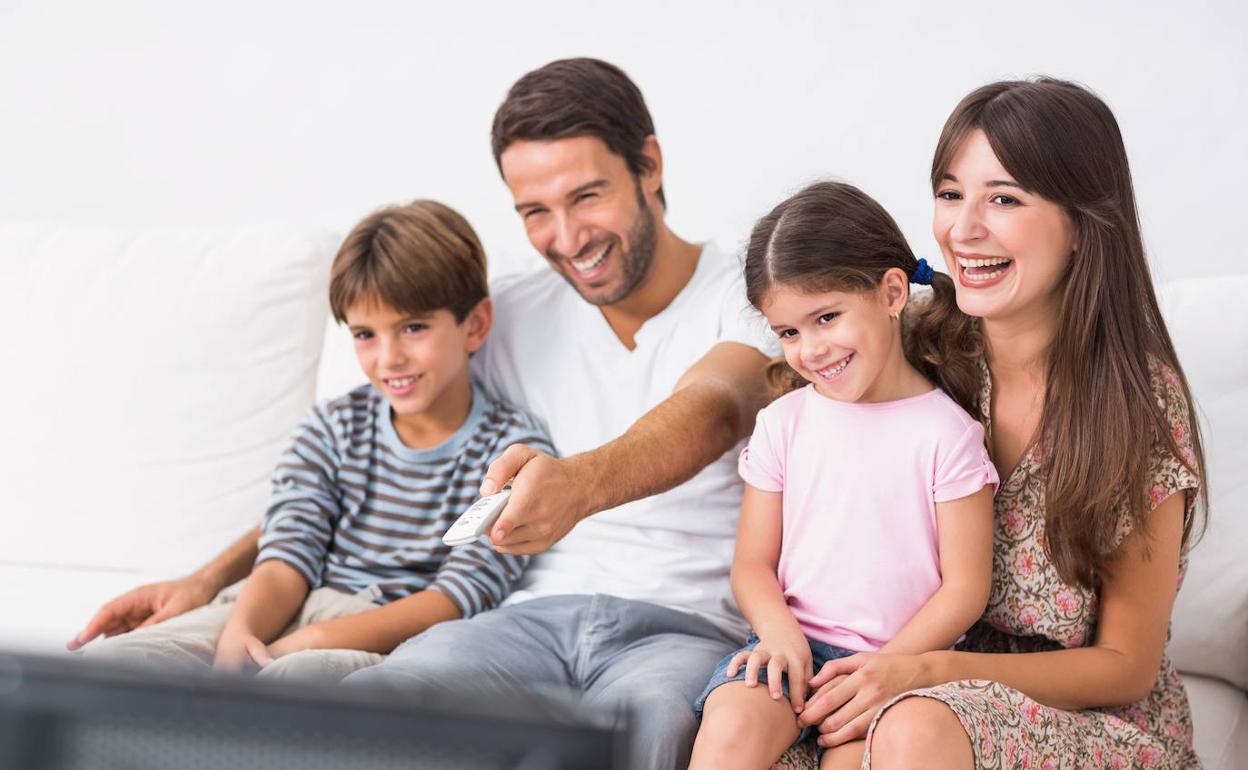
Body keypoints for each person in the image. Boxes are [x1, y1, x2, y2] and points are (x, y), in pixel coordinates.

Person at [72, 58, 776, 770]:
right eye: (535, 212)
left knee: (645, 731)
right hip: (523, 623)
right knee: (372, 710)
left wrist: (579, 484)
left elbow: (715, 408)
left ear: (649, 166)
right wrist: (209, 578)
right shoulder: (512, 315)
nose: (567, 238)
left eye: (587, 197)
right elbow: (347, 478)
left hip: (681, 626)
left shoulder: (751, 296)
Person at [778, 79, 1207, 770]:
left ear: (1081, 224)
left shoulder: (1138, 404)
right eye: (951, 194)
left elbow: (1126, 665)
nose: (963, 229)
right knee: (762, 730)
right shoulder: (918, 346)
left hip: (1083, 720)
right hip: (909, 678)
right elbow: (780, 371)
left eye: (1004, 199)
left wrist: (927, 672)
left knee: (912, 730)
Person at [74, 200, 554, 683]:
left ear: (475, 325)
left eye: (413, 328)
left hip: (388, 637)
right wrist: (241, 634)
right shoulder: (332, 427)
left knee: (294, 680)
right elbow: (287, 554)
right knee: (118, 665)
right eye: (365, 334)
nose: (389, 358)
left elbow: (455, 598)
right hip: (278, 602)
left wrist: (312, 640)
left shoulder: (513, 450)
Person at [688, 181, 998, 770]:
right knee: (731, 728)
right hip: (790, 647)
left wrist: (888, 668)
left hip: (894, 666)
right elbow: (752, 563)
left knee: (857, 760)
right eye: (788, 332)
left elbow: (964, 589)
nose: (810, 350)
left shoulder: (948, 434)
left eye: (826, 317)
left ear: (891, 293)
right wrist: (779, 634)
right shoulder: (782, 424)